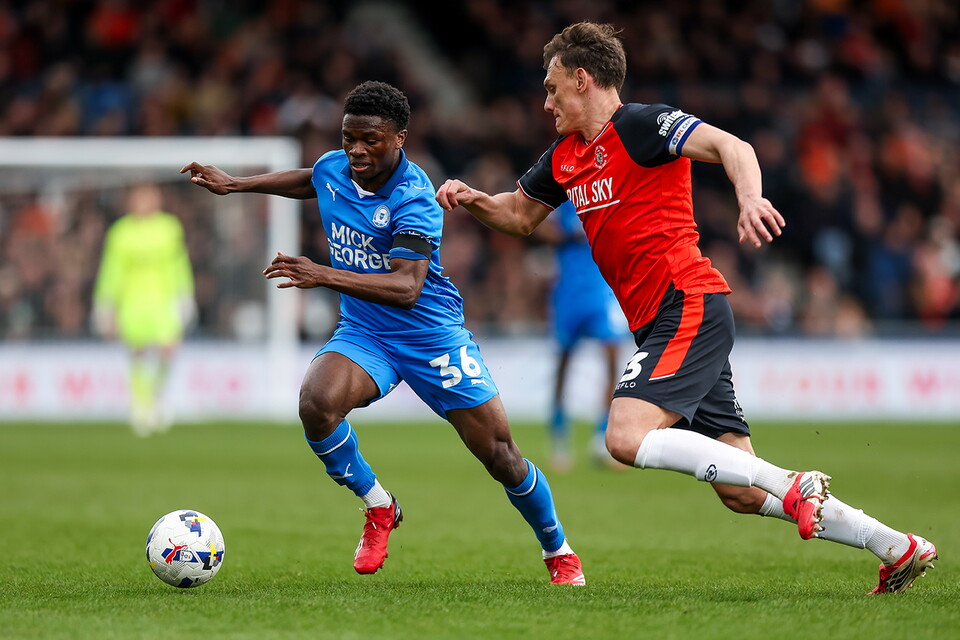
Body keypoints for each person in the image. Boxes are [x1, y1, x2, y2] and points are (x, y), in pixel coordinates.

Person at [436, 22, 936, 594]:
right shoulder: (564, 158)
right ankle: (895, 546)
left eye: (552, 88)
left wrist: (750, 199)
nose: (546, 102)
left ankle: (794, 482)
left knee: (623, 436)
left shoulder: (644, 126)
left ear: (582, 80)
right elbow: (519, 216)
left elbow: (733, 146)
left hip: (687, 301)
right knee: (742, 493)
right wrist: (474, 201)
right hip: (659, 322)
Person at [181, 80, 584, 584]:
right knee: (315, 403)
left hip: (432, 337)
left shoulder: (416, 199)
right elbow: (314, 178)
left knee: (501, 456)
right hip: (366, 332)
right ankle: (378, 506)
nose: (356, 150)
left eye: (370, 139)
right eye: (349, 137)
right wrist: (237, 184)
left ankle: (558, 550)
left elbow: (406, 287)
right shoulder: (338, 166)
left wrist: (322, 274)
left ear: (400, 138)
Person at [92, 182, 195, 436]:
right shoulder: (121, 232)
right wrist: (105, 303)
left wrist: (185, 295)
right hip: (133, 299)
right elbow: (112, 269)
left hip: (163, 297)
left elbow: (178, 263)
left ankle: (156, 395)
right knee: (137, 352)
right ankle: (140, 404)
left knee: (167, 349)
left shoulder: (169, 228)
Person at [539, 200, 627, 471]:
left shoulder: (605, 194)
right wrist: (568, 233)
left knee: (613, 356)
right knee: (564, 363)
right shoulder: (564, 196)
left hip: (601, 290)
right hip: (569, 293)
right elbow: (537, 225)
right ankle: (559, 437)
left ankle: (603, 435)